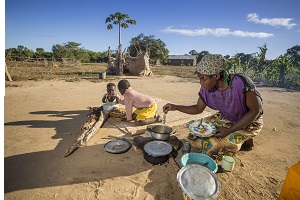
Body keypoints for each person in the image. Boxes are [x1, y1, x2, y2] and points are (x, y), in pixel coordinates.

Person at [163, 54, 263, 158]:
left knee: (217, 146)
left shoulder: (240, 83)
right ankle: (241, 137)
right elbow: (198, 108)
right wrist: (175, 107)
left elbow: (256, 111)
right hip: (226, 118)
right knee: (196, 132)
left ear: (216, 75)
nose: (200, 82)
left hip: (249, 121)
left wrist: (230, 130)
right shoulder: (206, 89)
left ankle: (245, 138)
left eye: (203, 79)